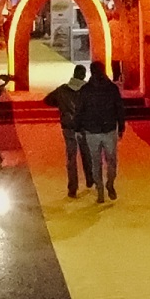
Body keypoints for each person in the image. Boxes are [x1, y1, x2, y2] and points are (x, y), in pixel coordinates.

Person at [75, 60, 125, 203]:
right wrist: (121, 126)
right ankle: (110, 183)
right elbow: (119, 108)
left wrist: (78, 128)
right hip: (108, 129)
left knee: (95, 162)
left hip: (91, 131)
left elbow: (79, 110)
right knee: (111, 161)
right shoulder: (112, 88)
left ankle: (100, 190)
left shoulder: (85, 90)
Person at [43, 63, 93, 198]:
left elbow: (47, 100)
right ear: (83, 76)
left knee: (71, 159)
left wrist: (61, 106)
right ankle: (90, 179)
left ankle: (72, 188)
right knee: (87, 154)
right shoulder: (88, 90)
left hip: (68, 127)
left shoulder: (62, 90)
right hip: (83, 127)